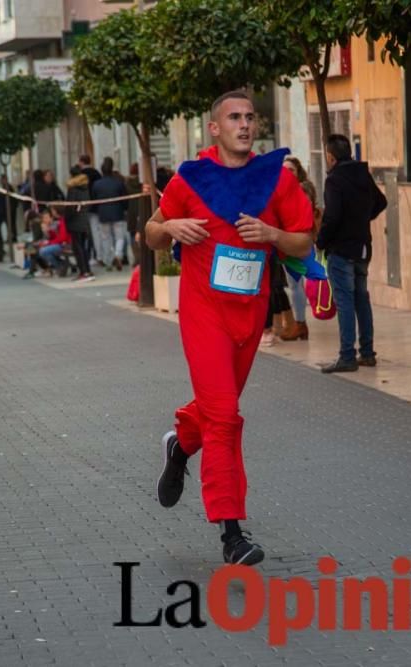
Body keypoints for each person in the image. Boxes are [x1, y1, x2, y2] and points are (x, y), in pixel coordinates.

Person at [145, 90, 314, 565]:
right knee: (224, 417)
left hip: (249, 314)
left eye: (250, 117)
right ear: (214, 129)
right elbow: (151, 231)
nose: (244, 124)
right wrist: (172, 227)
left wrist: (274, 236)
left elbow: (303, 243)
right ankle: (232, 533)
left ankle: (180, 446)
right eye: (233, 117)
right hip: (202, 314)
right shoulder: (191, 179)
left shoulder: (277, 181)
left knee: (219, 408)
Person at [316, 134, 387, 373]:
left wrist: (321, 241)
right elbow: (382, 201)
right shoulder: (362, 174)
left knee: (345, 302)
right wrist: (361, 218)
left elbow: (332, 217)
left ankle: (347, 356)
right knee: (361, 299)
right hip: (362, 247)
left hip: (342, 249)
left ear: (330, 156)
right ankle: (367, 353)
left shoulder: (335, 180)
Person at [279, 156, 320, 341]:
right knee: (295, 285)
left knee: (302, 283)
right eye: (284, 170)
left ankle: (301, 324)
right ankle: (300, 324)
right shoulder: (280, 192)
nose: (287, 174)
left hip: (302, 242)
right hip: (288, 242)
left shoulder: (302, 190)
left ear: (298, 172)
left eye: (291, 170)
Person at [91, 156, 130, 271]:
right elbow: (125, 199)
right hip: (118, 213)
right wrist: (124, 209)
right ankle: (118, 255)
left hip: (103, 214)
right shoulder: (118, 183)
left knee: (105, 238)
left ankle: (108, 260)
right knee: (119, 237)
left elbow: (94, 200)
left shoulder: (96, 184)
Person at [65, 165, 95, 282]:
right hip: (84, 220)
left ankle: (83, 271)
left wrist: (66, 218)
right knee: (83, 246)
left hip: (75, 221)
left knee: (78, 248)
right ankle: (87, 269)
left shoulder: (73, 189)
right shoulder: (85, 187)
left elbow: (70, 207)